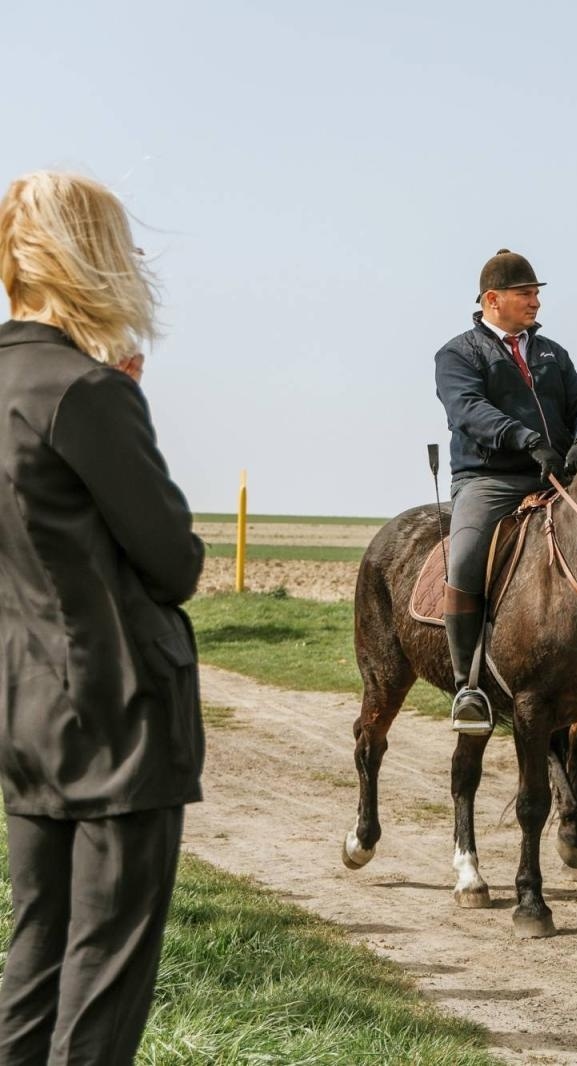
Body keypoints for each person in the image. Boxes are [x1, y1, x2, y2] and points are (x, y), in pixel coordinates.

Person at [0, 170, 205, 1064]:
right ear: (94, 257)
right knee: (103, 987)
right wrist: (127, 403)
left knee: (35, 958)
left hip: (26, 711)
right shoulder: (87, 392)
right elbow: (175, 561)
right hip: (122, 716)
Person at [435, 249, 577, 734]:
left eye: (536, 293)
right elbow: (468, 410)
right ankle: (467, 684)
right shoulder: (458, 354)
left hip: (558, 475)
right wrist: (527, 440)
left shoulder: (553, 352)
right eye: (525, 293)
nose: (535, 301)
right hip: (491, 482)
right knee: (465, 556)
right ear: (493, 300)